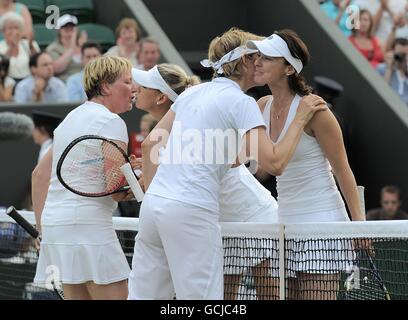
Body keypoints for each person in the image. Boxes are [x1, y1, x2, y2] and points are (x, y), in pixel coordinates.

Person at [128, 27, 327, 300]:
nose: (262, 62)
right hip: (191, 211)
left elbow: (152, 144)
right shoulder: (241, 102)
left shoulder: (190, 94)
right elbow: (275, 163)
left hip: (154, 208)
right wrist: (300, 118)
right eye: (258, 57)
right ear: (245, 61)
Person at [247, 29, 365, 300]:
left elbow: (342, 170)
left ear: (288, 68)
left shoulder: (318, 113)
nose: (258, 61)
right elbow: (265, 167)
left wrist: (360, 224)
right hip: (283, 223)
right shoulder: (262, 105)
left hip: (322, 222)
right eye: (259, 56)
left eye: (268, 57)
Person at [32, 56, 137, 300]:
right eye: (127, 82)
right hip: (88, 228)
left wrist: (41, 230)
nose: (133, 89)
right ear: (106, 86)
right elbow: (116, 190)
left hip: (56, 229)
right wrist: (142, 180)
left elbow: (38, 175)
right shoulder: (112, 121)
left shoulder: (70, 119)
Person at [46, 14, 87, 82]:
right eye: (65, 27)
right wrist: (71, 48)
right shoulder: (53, 48)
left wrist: (85, 47)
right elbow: (56, 69)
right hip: (65, 82)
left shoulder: (83, 46)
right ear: (59, 30)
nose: (69, 30)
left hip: (87, 82)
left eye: (72, 27)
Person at [0, 11, 39, 81]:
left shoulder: (30, 44)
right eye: (10, 28)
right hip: (7, 82)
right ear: (3, 31)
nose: (14, 32)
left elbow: (38, 62)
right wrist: (12, 47)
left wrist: (30, 46)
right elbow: (2, 68)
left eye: (16, 28)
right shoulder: (1, 46)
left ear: (21, 30)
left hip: (30, 80)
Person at [377, 37, 408, 104]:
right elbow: (381, 91)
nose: (402, 58)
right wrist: (389, 68)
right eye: (399, 54)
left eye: (405, 55)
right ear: (392, 52)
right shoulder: (382, 68)